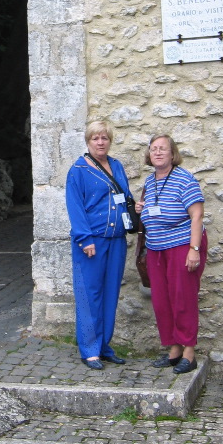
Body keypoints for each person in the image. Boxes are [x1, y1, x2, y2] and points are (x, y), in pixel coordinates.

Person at [135, 134, 206, 374]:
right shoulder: (150, 181)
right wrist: (140, 208)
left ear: (172, 153)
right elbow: (151, 210)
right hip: (156, 249)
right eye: (153, 149)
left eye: (162, 149)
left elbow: (197, 215)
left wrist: (194, 250)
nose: (157, 153)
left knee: (182, 298)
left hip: (181, 247)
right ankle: (174, 350)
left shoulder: (184, 179)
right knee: (162, 300)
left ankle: (189, 352)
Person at [65, 120, 134, 370]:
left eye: (104, 138)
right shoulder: (78, 170)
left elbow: (124, 196)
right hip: (91, 241)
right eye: (96, 138)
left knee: (110, 294)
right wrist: (84, 238)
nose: (101, 142)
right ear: (88, 141)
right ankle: (89, 349)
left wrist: (134, 206)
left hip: (116, 240)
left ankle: (104, 345)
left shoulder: (116, 165)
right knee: (89, 294)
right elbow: (75, 206)